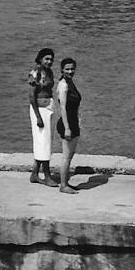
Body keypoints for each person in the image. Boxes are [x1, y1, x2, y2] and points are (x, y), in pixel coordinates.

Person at [27, 48, 58, 187]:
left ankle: (34, 174)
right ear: (40, 59)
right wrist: (38, 116)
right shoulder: (36, 72)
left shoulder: (49, 71)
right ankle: (47, 176)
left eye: (51, 59)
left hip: (49, 108)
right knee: (43, 142)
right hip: (39, 109)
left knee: (46, 142)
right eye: (46, 58)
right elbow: (31, 96)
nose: (49, 61)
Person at [54, 58, 82, 194]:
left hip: (73, 122)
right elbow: (63, 108)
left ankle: (66, 183)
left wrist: (77, 120)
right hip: (67, 124)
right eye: (67, 69)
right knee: (66, 156)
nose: (70, 71)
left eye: (72, 69)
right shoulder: (63, 85)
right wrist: (67, 128)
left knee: (70, 155)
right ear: (61, 70)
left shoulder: (71, 83)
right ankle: (63, 185)